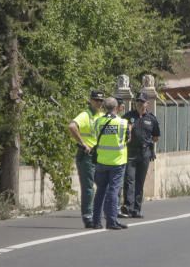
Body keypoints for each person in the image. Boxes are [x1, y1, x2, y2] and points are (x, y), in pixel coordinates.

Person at [67, 89, 105, 228]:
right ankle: (88, 216)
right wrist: (83, 143)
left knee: (102, 185)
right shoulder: (85, 114)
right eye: (96, 100)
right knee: (89, 187)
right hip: (87, 155)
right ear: (90, 100)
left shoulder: (101, 115)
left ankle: (98, 214)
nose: (99, 103)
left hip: (100, 155)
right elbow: (72, 126)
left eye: (101, 101)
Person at [92, 97, 130, 230]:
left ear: (103, 107)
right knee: (114, 191)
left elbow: (95, 135)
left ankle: (96, 221)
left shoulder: (98, 121)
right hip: (117, 162)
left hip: (101, 161)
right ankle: (111, 221)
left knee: (100, 191)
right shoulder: (123, 123)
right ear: (116, 107)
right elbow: (127, 139)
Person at [121, 92, 160, 219]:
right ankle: (128, 207)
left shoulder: (152, 119)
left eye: (142, 101)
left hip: (144, 153)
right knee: (129, 180)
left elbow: (156, 137)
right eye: (138, 101)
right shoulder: (128, 116)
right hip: (130, 152)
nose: (140, 104)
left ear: (147, 103)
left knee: (139, 182)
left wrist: (150, 148)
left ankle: (137, 209)